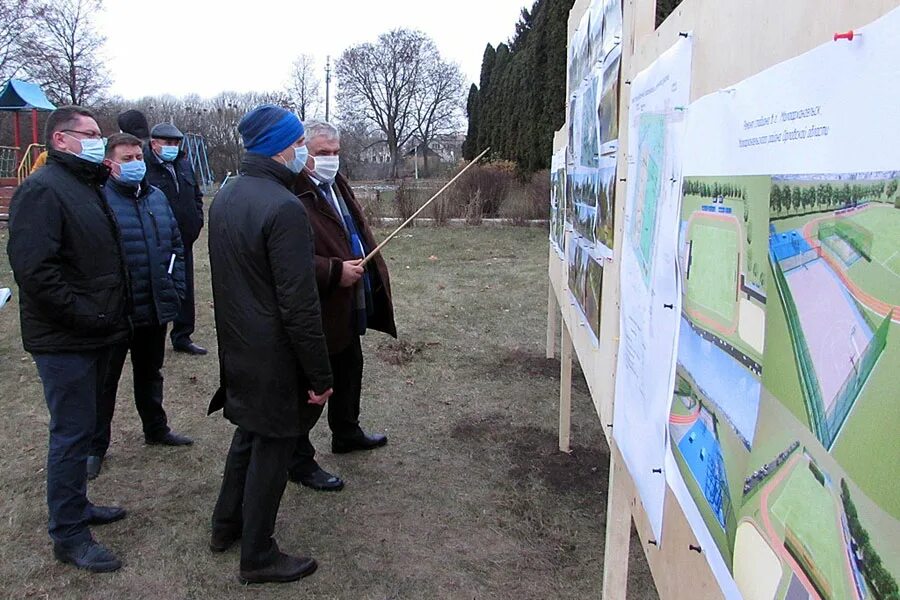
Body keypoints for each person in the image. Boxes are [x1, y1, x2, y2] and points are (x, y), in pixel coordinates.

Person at [207, 104, 333, 584]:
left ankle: (226, 526)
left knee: (248, 436)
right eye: (299, 142)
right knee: (274, 447)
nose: (304, 150)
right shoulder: (284, 208)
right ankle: (257, 554)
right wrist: (320, 376)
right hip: (273, 354)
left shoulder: (227, 196)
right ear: (282, 147)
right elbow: (299, 306)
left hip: (239, 346)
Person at [7, 106, 130, 572]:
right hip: (66, 339)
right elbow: (36, 272)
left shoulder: (85, 184)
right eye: (92, 134)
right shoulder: (41, 190)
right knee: (71, 433)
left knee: (85, 427)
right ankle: (69, 534)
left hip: (96, 331)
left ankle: (77, 507)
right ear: (62, 140)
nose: (100, 141)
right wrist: (86, 316)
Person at [288, 120, 396, 492]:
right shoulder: (293, 192)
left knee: (351, 366)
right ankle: (298, 460)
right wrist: (334, 272)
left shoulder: (337, 184)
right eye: (321, 154)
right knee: (314, 383)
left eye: (335, 153)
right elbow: (288, 260)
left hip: (349, 300)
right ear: (304, 153)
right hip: (318, 303)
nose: (330, 160)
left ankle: (346, 432)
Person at [86, 133, 194, 481]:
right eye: (127, 158)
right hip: (117, 310)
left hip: (155, 304)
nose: (136, 164)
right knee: (106, 381)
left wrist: (175, 287)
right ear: (110, 163)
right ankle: (95, 447)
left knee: (150, 372)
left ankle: (156, 428)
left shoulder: (156, 197)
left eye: (138, 157)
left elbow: (176, 244)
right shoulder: (97, 200)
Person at [145, 122, 207, 355]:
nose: (172, 147)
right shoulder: (145, 166)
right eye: (167, 143)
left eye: (175, 143)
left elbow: (196, 195)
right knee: (158, 287)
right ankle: (152, 336)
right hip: (158, 240)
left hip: (185, 238)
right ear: (154, 144)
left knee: (185, 289)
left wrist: (197, 219)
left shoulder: (183, 165)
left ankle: (182, 336)